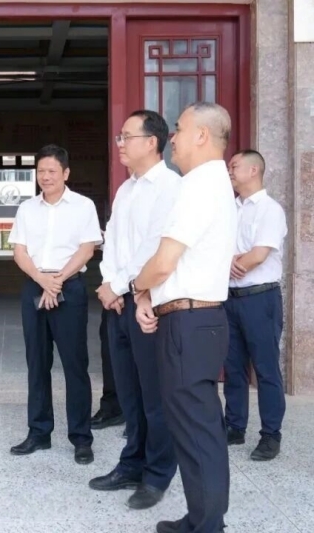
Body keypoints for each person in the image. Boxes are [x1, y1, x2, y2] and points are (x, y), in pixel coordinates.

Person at [131, 101, 237, 533]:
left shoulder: (198, 185)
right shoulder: (212, 183)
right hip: (198, 321)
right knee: (199, 428)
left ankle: (208, 525)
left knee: (197, 430)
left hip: (188, 324)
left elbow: (163, 262)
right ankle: (202, 518)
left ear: (202, 135)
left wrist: (138, 288)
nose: (172, 137)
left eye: (178, 128)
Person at [90, 109, 180, 511]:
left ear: (152, 142)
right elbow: (112, 242)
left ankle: (157, 475)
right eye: (119, 137)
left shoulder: (170, 187)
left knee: (154, 395)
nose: (120, 144)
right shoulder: (125, 189)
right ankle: (131, 463)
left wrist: (122, 285)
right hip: (119, 303)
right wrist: (110, 285)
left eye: (126, 136)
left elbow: (154, 247)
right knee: (129, 392)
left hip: (150, 304)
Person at [8, 144, 102, 465]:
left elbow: (87, 249)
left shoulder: (83, 206)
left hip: (69, 288)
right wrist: (41, 279)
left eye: (51, 171)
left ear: (66, 173)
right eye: (41, 171)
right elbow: (19, 251)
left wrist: (57, 280)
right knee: (37, 363)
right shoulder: (27, 208)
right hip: (35, 286)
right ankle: (39, 432)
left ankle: (81, 438)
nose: (45, 177)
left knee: (75, 365)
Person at [224, 149, 287, 461]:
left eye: (234, 166)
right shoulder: (229, 209)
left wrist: (233, 263)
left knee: (265, 369)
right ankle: (234, 426)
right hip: (229, 299)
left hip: (260, 299)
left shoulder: (269, 209)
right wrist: (227, 263)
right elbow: (218, 250)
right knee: (233, 367)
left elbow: (258, 255)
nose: (229, 170)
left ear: (253, 170)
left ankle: (270, 435)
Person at [92, 230, 125, 432]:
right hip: (112, 292)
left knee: (143, 359)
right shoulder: (118, 213)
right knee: (110, 352)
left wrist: (118, 288)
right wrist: (110, 287)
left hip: (143, 292)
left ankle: (139, 414)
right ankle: (113, 407)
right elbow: (111, 251)